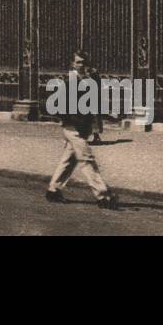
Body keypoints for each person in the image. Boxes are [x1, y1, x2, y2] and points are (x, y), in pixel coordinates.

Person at [46, 51, 118, 209]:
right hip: (72, 129)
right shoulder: (68, 83)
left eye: (84, 62)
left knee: (68, 160)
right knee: (87, 160)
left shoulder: (88, 81)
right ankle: (103, 196)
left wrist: (107, 114)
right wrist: (70, 118)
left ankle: (53, 189)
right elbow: (55, 106)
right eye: (78, 62)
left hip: (83, 128)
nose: (81, 65)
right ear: (72, 64)